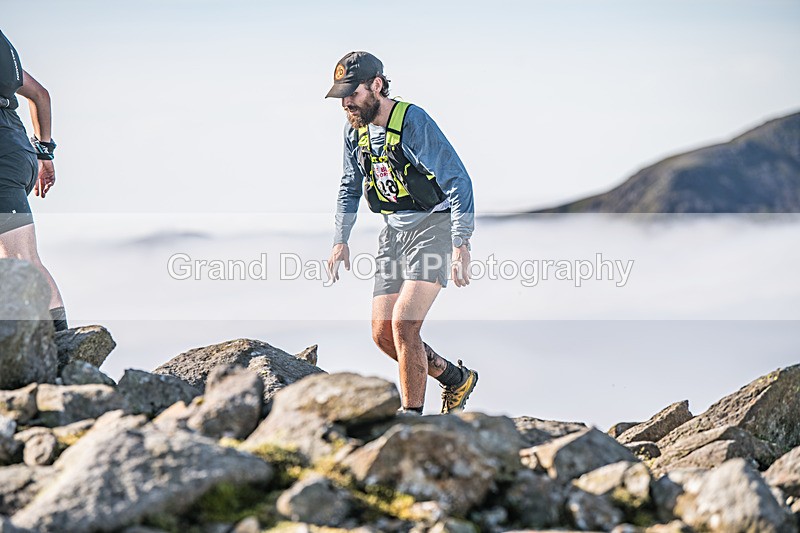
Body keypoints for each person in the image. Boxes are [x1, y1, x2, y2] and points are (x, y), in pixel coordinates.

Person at [325, 51, 477, 415]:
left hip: (434, 228)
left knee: (405, 325)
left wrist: (460, 242)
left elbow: (458, 180)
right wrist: (340, 240)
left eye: (353, 93)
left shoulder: (413, 121)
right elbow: (349, 186)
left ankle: (412, 421)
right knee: (383, 334)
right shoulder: (354, 132)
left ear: (377, 86)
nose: (346, 103)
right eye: (341, 95)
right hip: (392, 234)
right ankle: (455, 378)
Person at [1, 29, 67, 331]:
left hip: (3, 159)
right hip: (18, 150)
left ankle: (62, 344)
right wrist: (44, 152)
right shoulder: (5, 52)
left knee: (21, 258)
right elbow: (40, 95)